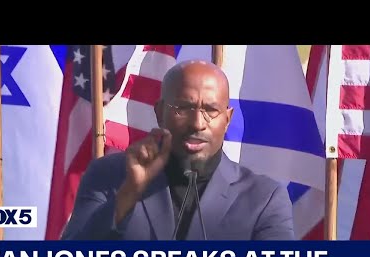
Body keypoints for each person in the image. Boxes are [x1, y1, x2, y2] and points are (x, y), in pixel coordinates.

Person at [61, 60, 295, 240]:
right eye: (183, 107)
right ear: (159, 112)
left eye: (211, 110)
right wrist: (129, 192)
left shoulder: (264, 198)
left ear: (227, 119)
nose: (197, 123)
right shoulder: (109, 175)